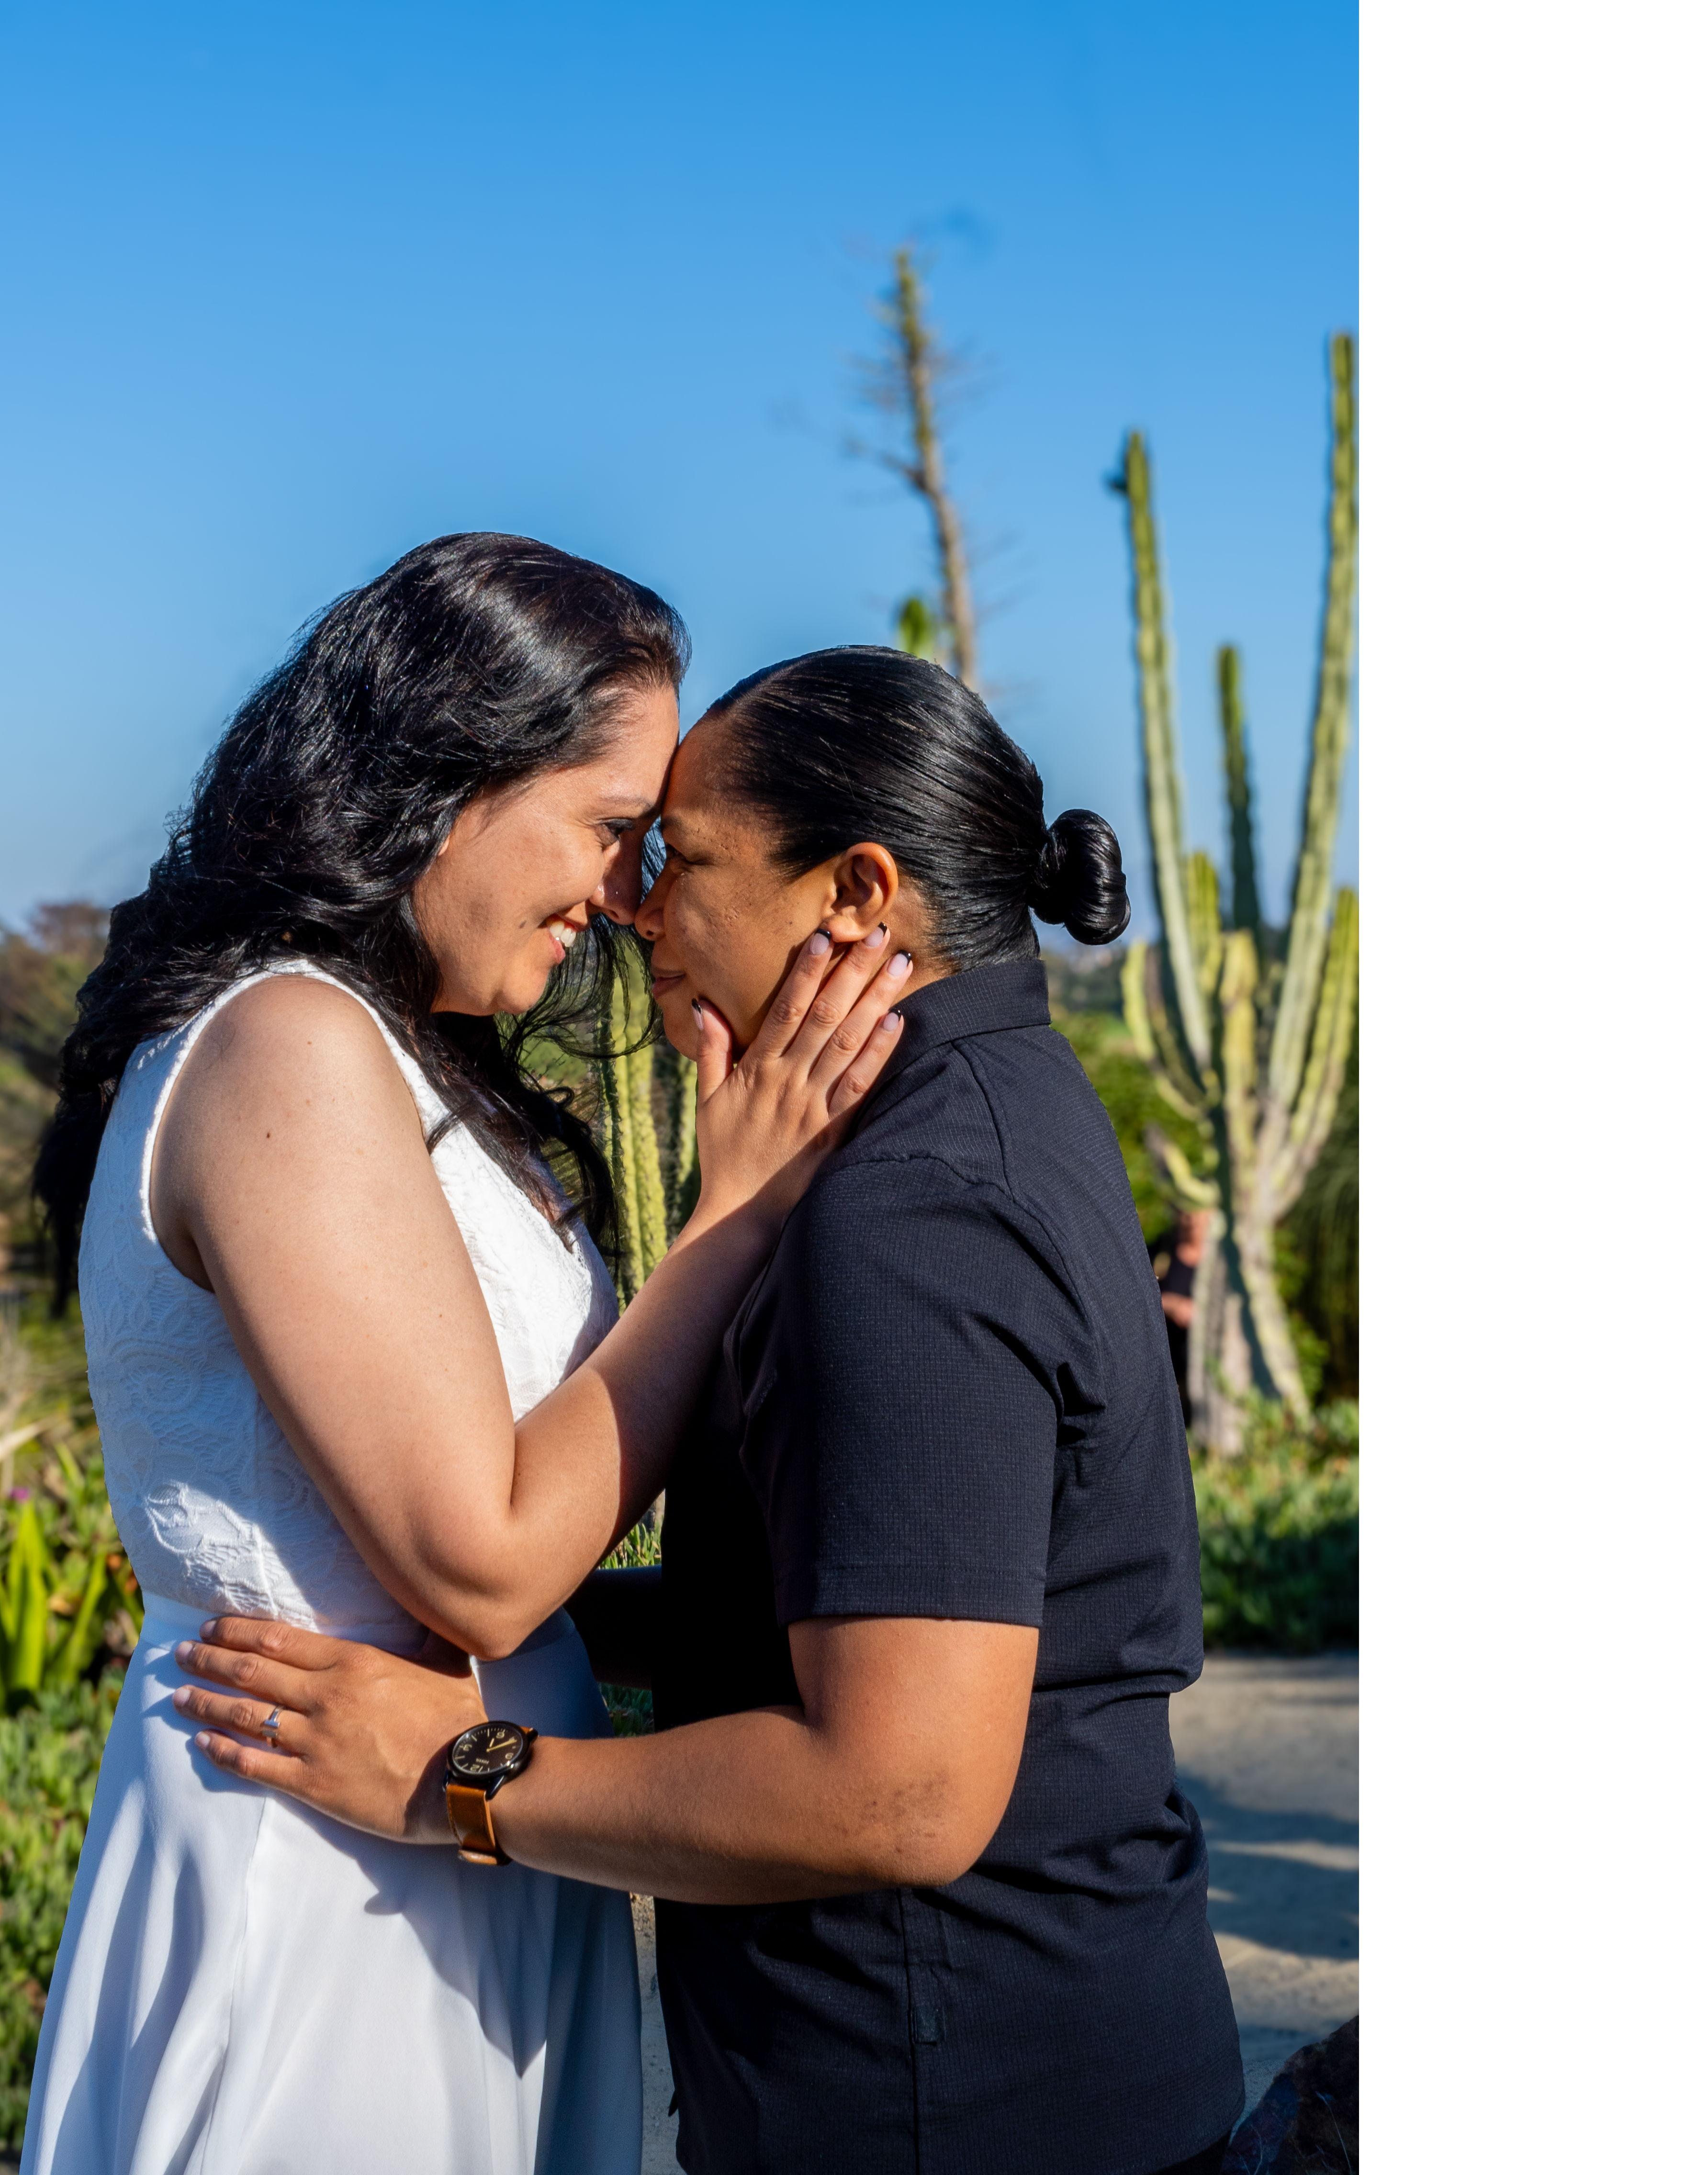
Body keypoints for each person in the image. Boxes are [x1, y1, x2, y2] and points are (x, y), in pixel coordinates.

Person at [176, 646, 1247, 2175]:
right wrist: (537, 1621)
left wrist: (454, 1775)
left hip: (937, 2100)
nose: (634, 902)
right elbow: (856, 1583)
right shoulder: (996, 1102)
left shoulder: (910, 1210)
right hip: (1029, 2063)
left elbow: (894, 1787)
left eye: (683, 859)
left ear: (855, 893)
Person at [18, 538, 908, 2175]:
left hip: (448, 1837)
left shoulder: (399, 1049)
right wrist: (737, 1217)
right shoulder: (284, 1042)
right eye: (606, 824)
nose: (623, 890)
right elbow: (482, 1557)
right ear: (451, 778)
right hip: (323, 1874)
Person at [1156, 1207, 1210, 1415]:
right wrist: (1171, 1304)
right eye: (1187, 1213)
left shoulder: (1224, 1261)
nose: (1193, 1220)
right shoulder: (1162, 1251)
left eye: (1199, 1213)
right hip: (1167, 1361)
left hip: (1206, 1366)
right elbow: (1138, 1296)